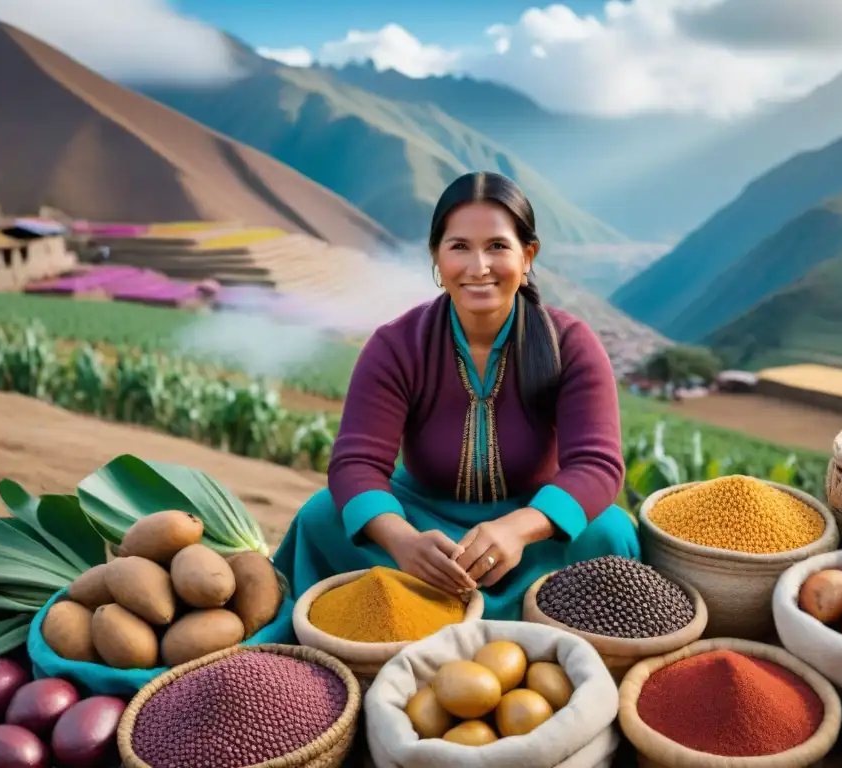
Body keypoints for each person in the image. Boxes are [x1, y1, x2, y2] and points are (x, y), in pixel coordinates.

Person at [273, 171, 641, 620]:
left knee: (611, 531)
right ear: (436, 256)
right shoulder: (396, 345)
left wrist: (519, 530)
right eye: (459, 246)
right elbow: (357, 463)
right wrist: (402, 541)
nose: (478, 266)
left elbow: (597, 465)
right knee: (321, 517)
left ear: (528, 256)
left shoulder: (570, 342)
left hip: (532, 528)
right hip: (420, 522)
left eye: (498, 247)